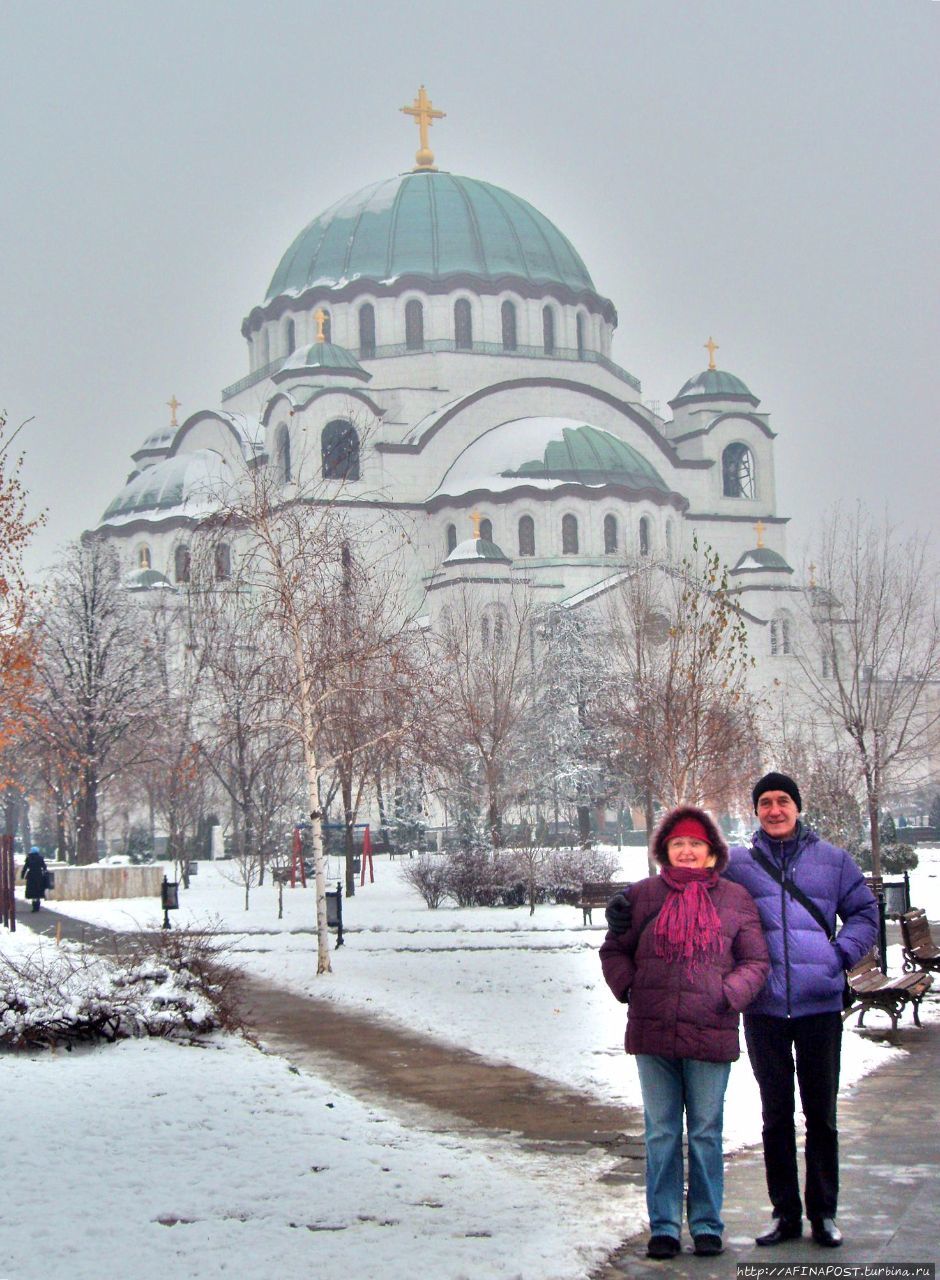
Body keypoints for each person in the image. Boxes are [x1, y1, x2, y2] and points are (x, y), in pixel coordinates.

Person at [600, 806, 769, 1260]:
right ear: (664, 852)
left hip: (710, 1029)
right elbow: (614, 949)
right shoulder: (642, 896)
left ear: (712, 853)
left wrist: (727, 993)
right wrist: (630, 986)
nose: (688, 851)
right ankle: (666, 1226)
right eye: (679, 844)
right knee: (661, 1132)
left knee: (706, 1132)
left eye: (696, 844)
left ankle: (708, 1224)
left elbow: (756, 961)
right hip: (653, 1031)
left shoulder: (735, 899)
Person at [724, 772, 878, 1250]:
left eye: (783, 801)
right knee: (775, 1115)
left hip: (819, 1007)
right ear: (755, 811)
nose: (774, 809)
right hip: (765, 1008)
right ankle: (785, 1213)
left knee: (821, 1116)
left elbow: (865, 913)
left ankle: (824, 1213)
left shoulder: (833, 861)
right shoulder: (738, 865)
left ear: (797, 806)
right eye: (765, 802)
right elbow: (687, 881)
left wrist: (838, 957)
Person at [21, 845, 48, 913]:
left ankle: (34, 907)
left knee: (32, 891)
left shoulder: (29, 858)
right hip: (39, 876)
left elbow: (25, 867)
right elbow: (44, 866)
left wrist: (22, 875)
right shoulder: (40, 858)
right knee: (38, 890)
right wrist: (45, 872)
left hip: (31, 876)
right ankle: (38, 906)